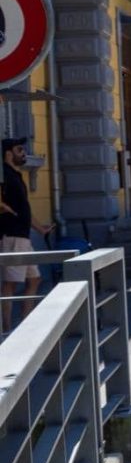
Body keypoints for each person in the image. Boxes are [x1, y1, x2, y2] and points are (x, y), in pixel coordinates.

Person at [0, 137, 39, 333]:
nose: (24, 153)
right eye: (19, 149)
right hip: (12, 236)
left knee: (34, 279)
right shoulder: (4, 175)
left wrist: (41, 228)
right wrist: (6, 209)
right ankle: (6, 330)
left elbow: (24, 208)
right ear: (8, 154)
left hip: (23, 236)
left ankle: (25, 326)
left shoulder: (16, 175)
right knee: (11, 283)